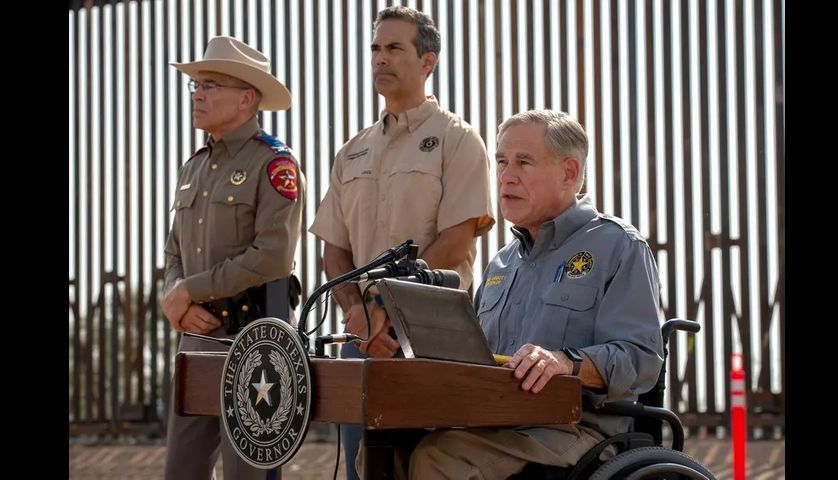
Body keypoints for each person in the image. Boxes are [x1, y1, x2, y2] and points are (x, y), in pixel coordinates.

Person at [404, 110, 665, 479]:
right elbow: (476, 361)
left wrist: (565, 362)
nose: (506, 176)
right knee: (385, 447)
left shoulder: (618, 246)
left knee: (440, 459)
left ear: (569, 173)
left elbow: (641, 359)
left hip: (576, 429)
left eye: (523, 162)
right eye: (501, 161)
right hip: (495, 419)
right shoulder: (502, 263)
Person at [309, 6, 494, 479]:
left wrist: (384, 308)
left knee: (425, 468)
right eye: (376, 48)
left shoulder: (458, 140)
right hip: (363, 342)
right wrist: (355, 310)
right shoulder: (351, 151)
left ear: (427, 62)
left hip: (431, 340)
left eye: (394, 48)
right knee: (360, 470)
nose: (380, 58)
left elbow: (455, 240)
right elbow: (334, 246)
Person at [160, 35, 304, 480]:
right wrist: (174, 297)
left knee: (248, 474)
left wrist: (190, 290)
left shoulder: (274, 164)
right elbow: (173, 250)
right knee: (181, 470)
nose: (198, 94)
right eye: (196, 85)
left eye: (211, 85)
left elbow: (273, 257)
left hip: (253, 339)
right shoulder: (194, 166)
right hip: (196, 337)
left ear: (246, 98)